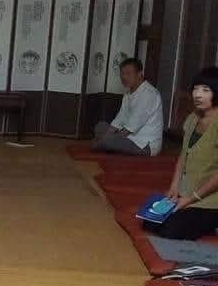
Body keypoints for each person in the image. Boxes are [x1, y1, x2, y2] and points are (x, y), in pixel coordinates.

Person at [145, 67, 218, 240]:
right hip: (186, 193)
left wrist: (191, 199)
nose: (198, 95)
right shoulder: (192, 118)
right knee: (150, 221)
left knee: (171, 231)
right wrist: (174, 188)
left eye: (205, 90)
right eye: (195, 89)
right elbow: (183, 156)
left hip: (210, 199)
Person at [92, 58, 163, 156]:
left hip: (144, 144)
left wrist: (109, 138)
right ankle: (107, 145)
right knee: (100, 126)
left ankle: (105, 144)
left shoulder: (149, 94)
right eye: (122, 74)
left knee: (108, 140)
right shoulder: (128, 93)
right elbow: (120, 118)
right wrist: (108, 134)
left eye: (128, 73)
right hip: (128, 137)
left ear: (140, 74)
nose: (124, 77)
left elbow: (132, 126)